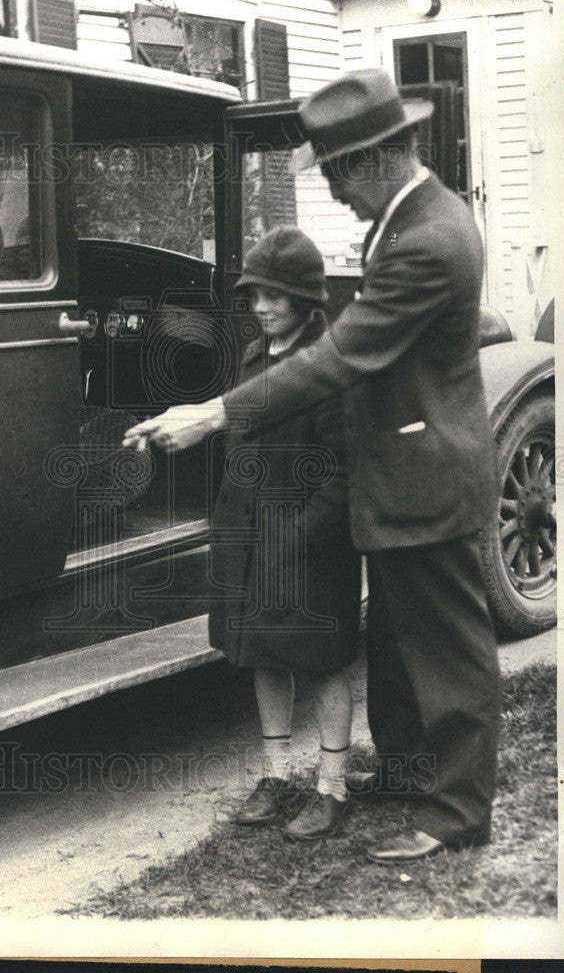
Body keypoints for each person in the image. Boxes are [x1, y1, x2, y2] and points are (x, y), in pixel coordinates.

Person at [124, 68, 501, 864]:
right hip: (402, 480)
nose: (332, 193)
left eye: (332, 173)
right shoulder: (410, 219)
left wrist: (216, 412)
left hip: (424, 480)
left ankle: (456, 814)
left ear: (370, 160)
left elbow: (339, 357)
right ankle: (406, 778)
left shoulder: (426, 239)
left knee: (446, 656)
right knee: (396, 648)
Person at [209, 226, 361, 837]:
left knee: (323, 663)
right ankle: (277, 777)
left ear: (305, 299)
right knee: (263, 658)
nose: (262, 307)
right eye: (254, 295)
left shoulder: (333, 364)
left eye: (274, 296)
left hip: (310, 545)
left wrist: (301, 536)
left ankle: (333, 787)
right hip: (250, 540)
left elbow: (349, 471)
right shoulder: (251, 358)